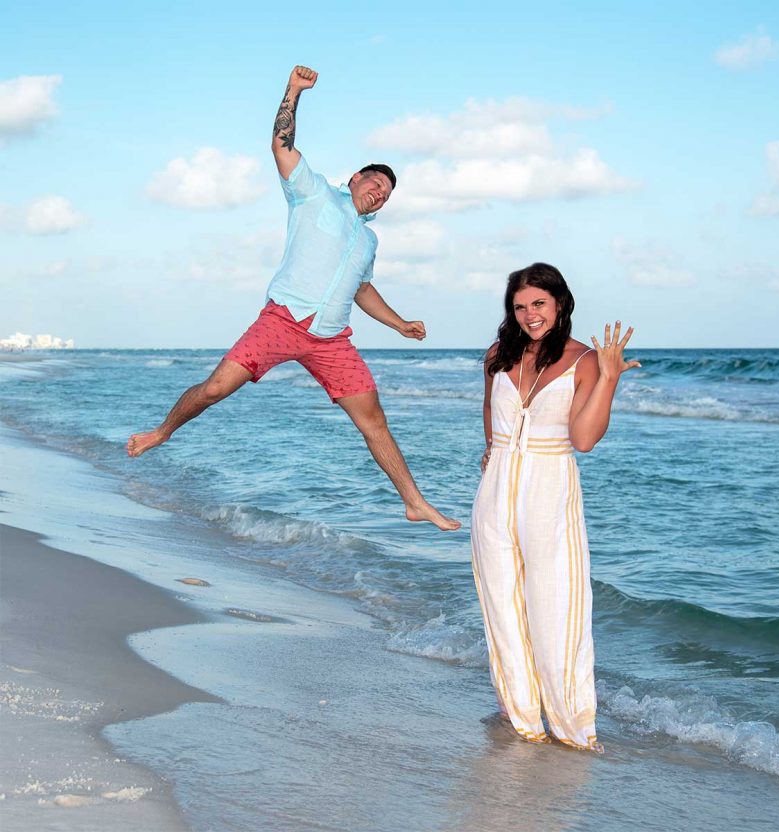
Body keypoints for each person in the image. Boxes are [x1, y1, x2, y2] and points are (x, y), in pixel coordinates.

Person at [127, 65, 459, 532]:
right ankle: (162, 432)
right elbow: (281, 145)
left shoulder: (369, 243)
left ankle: (414, 501)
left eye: (385, 195)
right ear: (356, 177)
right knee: (216, 389)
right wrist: (294, 92)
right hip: (281, 321)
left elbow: (362, 289)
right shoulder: (315, 194)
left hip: (331, 340)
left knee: (374, 420)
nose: (379, 195)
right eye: (375, 184)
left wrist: (400, 324)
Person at [470, 262, 639, 750]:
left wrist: (609, 378)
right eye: (520, 306)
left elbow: (584, 440)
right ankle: (523, 719)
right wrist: (493, 450)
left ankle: (572, 730)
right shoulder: (497, 355)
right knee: (500, 607)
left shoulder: (585, 360)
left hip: (549, 491)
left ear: (559, 303)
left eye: (538, 303)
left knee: (556, 608)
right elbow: (489, 408)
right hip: (495, 494)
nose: (529, 314)